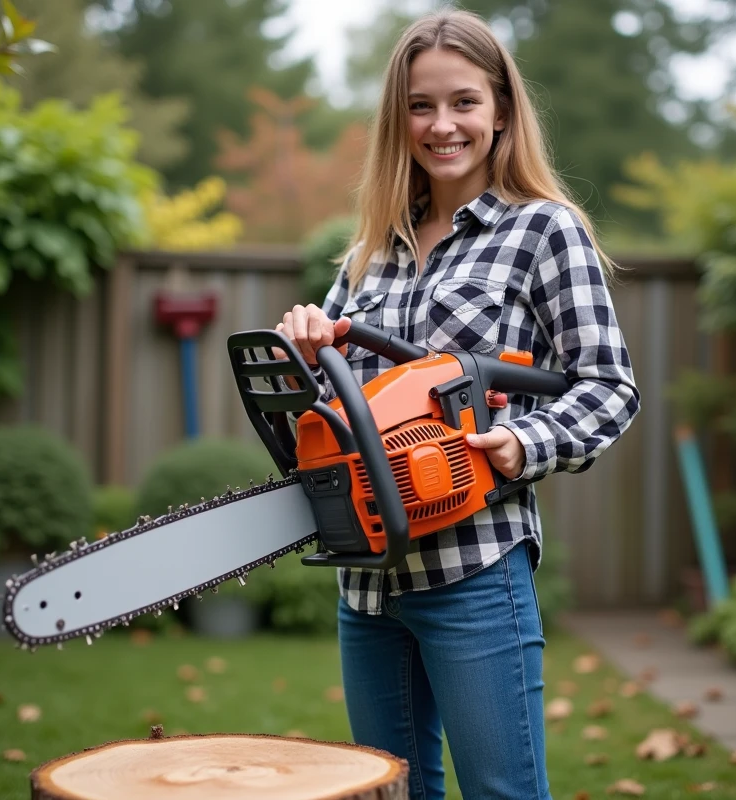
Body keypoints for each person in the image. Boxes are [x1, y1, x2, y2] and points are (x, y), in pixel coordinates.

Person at [275, 7, 640, 799]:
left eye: (463, 102)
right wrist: (307, 350)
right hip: (368, 585)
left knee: (503, 793)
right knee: (391, 793)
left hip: (474, 568)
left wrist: (526, 444)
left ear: (502, 110)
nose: (442, 125)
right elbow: (337, 408)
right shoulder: (374, 246)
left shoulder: (543, 231)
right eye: (420, 106)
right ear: (397, 119)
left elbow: (609, 385)